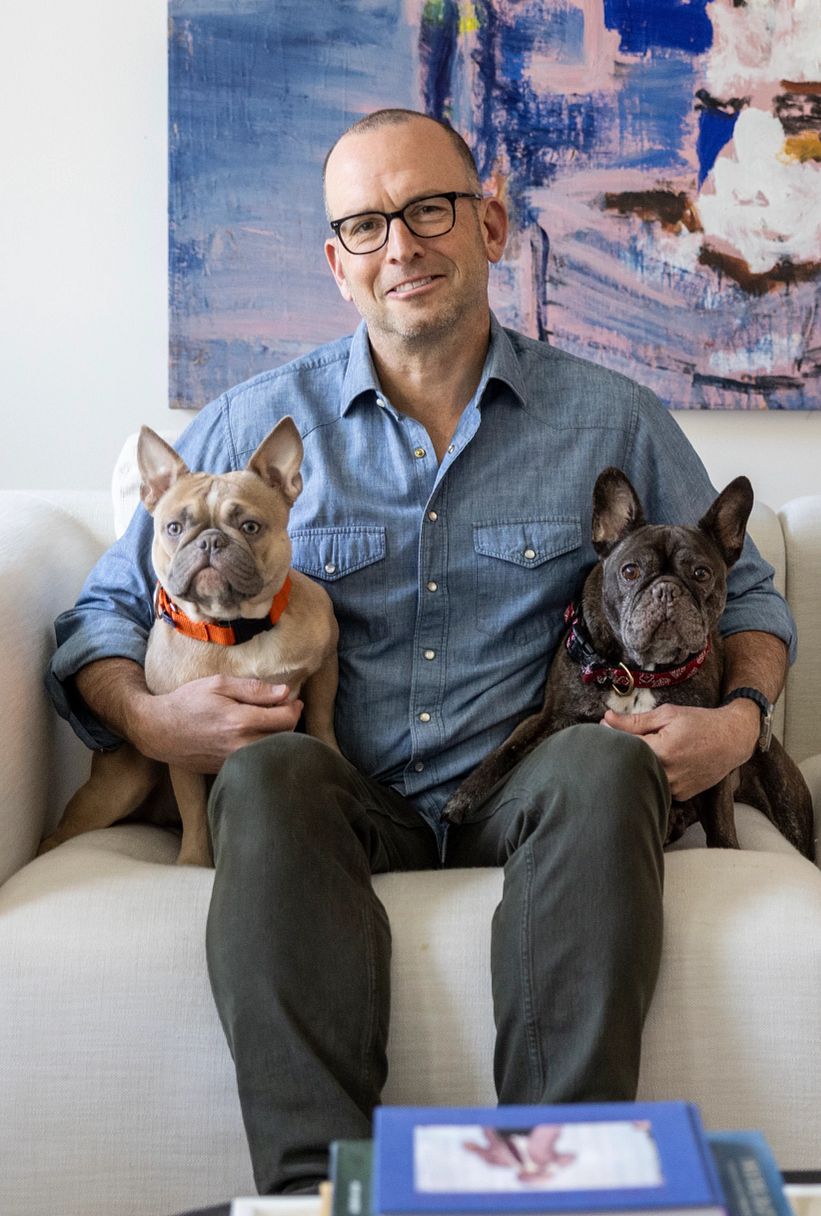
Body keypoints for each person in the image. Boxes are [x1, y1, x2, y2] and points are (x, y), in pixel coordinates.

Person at [47, 109, 795, 1202]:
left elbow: (753, 596)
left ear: (488, 224)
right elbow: (103, 613)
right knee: (271, 772)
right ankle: (318, 1191)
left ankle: (561, 1185)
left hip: (526, 787)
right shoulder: (253, 425)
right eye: (364, 224)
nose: (399, 245)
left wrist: (736, 722)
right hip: (345, 791)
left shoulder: (611, 419)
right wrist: (152, 719)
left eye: (428, 210)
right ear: (336, 262)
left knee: (604, 758)